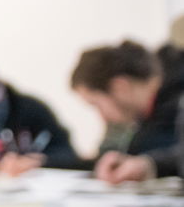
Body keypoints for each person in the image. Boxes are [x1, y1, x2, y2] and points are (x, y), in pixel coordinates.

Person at [70, 41, 184, 182]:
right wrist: (148, 164)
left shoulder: (176, 104)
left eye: (97, 104)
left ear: (120, 87)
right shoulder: (149, 111)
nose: (102, 116)